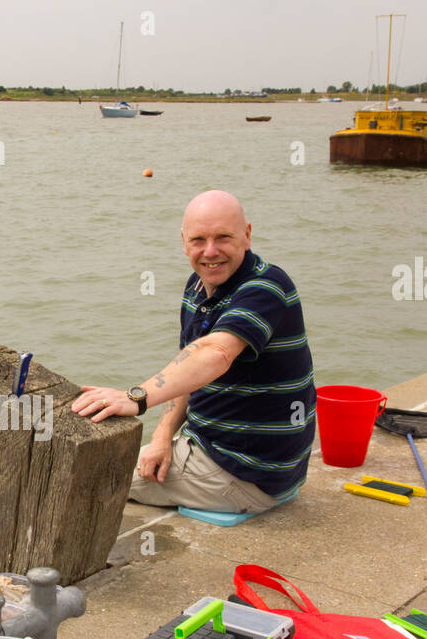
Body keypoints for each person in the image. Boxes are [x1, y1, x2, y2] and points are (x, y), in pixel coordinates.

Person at [73, 190, 315, 513]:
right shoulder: (197, 286)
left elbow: (215, 354)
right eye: (198, 240)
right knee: (126, 453)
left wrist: (136, 397)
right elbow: (190, 368)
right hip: (228, 453)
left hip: (244, 470)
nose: (210, 252)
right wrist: (162, 436)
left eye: (223, 238)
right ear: (183, 240)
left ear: (247, 235)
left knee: (89, 479)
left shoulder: (266, 287)